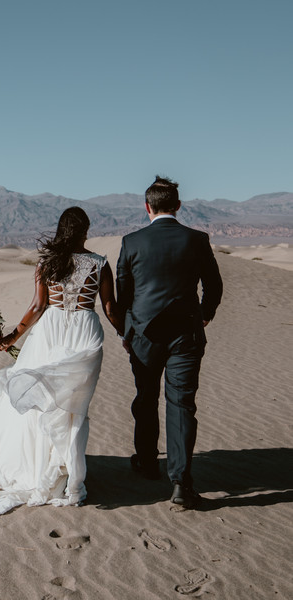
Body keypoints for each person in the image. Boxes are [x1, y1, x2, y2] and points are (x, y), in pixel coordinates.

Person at [0, 206, 123, 521]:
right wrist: (127, 334)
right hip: (84, 334)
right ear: (86, 230)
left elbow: (37, 306)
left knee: (42, 403)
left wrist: (12, 337)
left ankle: (52, 471)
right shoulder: (100, 264)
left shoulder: (47, 265)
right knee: (73, 407)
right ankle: (63, 475)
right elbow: (109, 307)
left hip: (48, 333)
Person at [117, 176, 222, 508]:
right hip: (185, 335)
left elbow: (124, 293)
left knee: (146, 398)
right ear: (178, 205)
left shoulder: (131, 242)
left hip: (144, 335)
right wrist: (205, 314)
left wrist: (126, 331)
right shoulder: (196, 239)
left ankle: (148, 463)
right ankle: (180, 483)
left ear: (147, 207)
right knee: (181, 406)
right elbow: (214, 285)